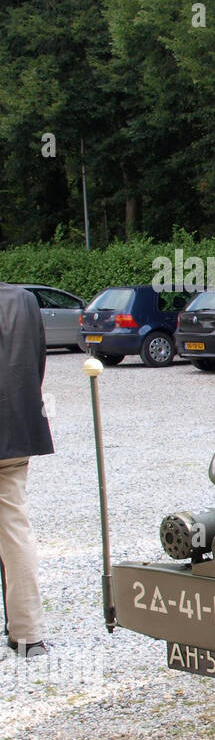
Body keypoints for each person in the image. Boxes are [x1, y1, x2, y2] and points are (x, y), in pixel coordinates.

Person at [0, 281, 55, 658]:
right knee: (15, 529)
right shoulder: (24, 299)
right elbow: (37, 362)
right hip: (15, 428)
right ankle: (28, 633)